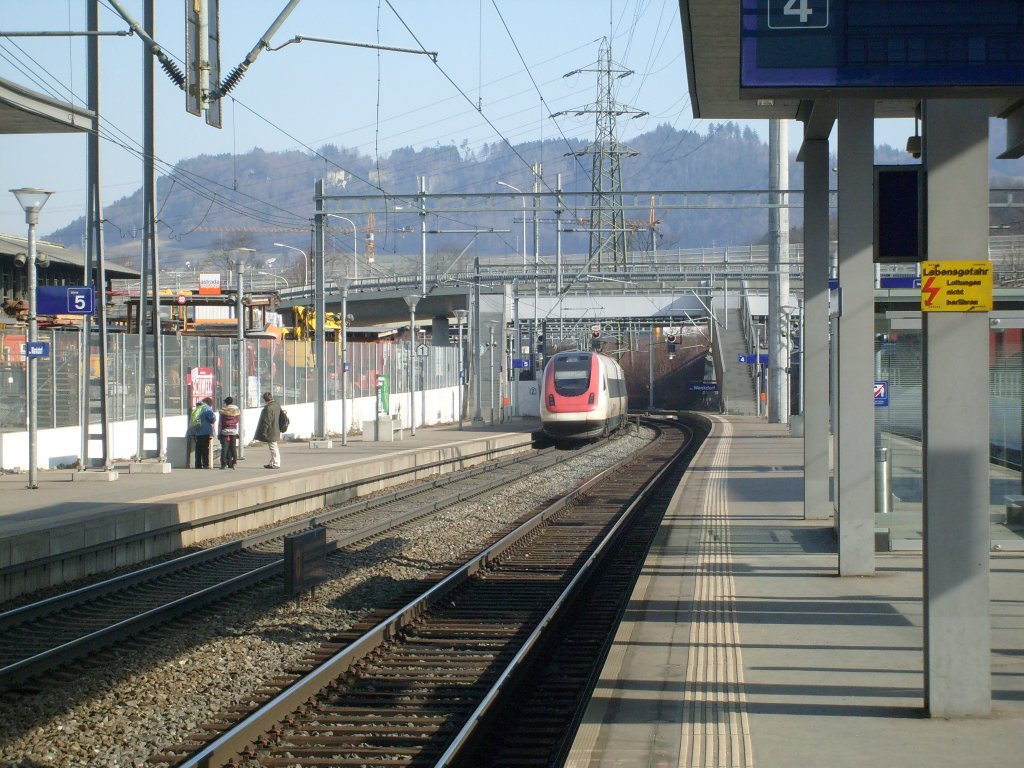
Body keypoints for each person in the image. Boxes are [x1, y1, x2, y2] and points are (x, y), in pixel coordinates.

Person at [254, 391, 281, 469]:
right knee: (273, 446)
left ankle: (276, 463)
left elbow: (266, 420)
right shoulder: (277, 405)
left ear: (265, 399)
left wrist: (264, 431)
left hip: (271, 430)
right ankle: (272, 462)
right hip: (276, 428)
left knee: (273, 447)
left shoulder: (269, 408)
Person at [190, 397, 217, 469]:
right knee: (205, 448)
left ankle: (197, 464)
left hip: (196, 431)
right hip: (205, 431)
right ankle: (205, 464)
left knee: (198, 448)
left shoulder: (198, 408)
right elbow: (212, 420)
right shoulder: (207, 408)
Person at [218, 396, 241, 469]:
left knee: (224, 447)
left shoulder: (223, 411)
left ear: (226, 403)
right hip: (233, 430)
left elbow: (220, 423)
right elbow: (237, 421)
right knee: (233, 447)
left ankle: (223, 464)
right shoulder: (237, 411)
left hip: (225, 430)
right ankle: (234, 463)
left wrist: (219, 433)